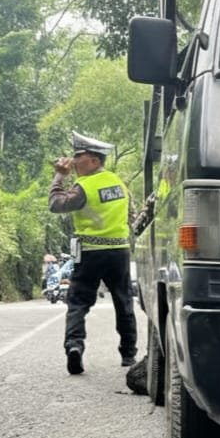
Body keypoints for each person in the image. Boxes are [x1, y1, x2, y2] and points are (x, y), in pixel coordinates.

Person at [48, 131, 138, 375]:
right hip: (119, 252)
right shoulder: (120, 184)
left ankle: (74, 345)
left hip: (90, 252)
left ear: (95, 161)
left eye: (79, 157)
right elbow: (133, 216)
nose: (75, 162)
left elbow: (56, 204)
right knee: (123, 301)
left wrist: (59, 176)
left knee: (78, 302)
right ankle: (129, 354)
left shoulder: (85, 186)